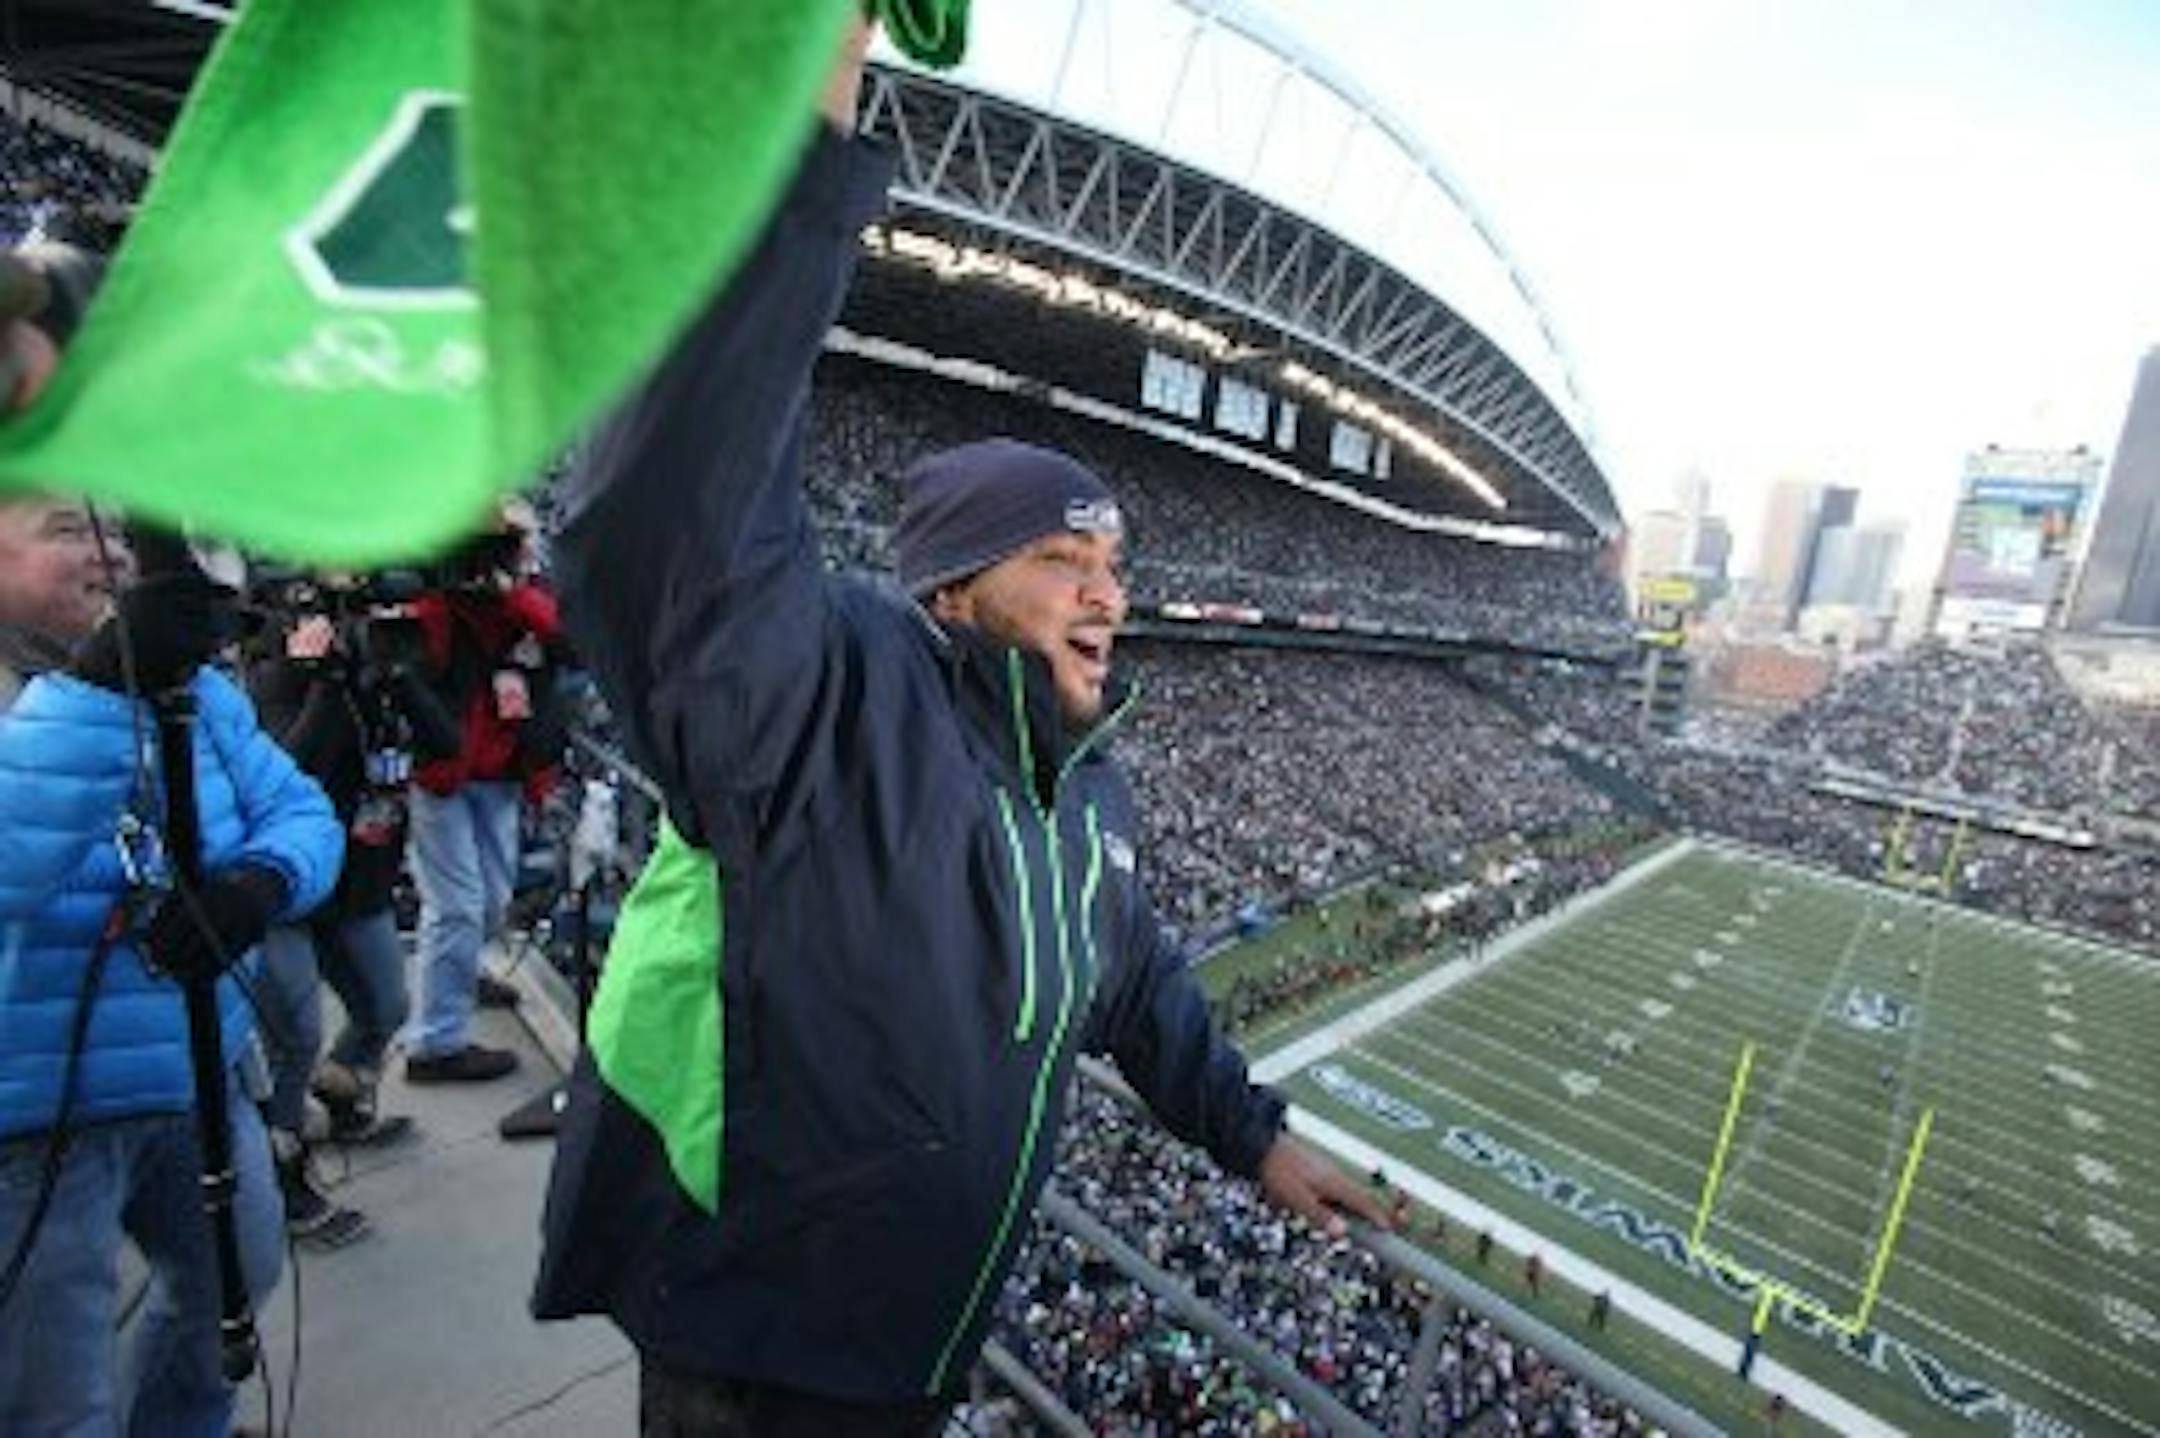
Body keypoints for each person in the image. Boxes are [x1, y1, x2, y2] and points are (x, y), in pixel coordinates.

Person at [532, 22, 1384, 1433]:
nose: (1108, 591)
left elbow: (1131, 982)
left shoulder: (1086, 787)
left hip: (923, 1340)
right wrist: (803, 132)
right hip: (757, 1338)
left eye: (1113, 565)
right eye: (1062, 557)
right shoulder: (832, 692)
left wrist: (1252, 1134)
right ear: (951, 589)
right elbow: (678, 509)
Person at [0, 245, 344, 1434]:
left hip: (193, 1079)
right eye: (64, 525)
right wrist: (104, 688)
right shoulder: (102, 684)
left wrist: (259, 882)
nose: (105, 551)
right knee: (54, 1393)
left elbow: (304, 813)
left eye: (112, 528)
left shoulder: (192, 689)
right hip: (28, 1125)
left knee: (236, 1289)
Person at [248, 588, 455, 1244]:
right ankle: (279, 1176)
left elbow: (446, 743)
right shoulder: (280, 680)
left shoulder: (387, 687)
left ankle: (339, 1098)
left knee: (386, 1005)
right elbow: (287, 769)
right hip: (284, 888)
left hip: (357, 882)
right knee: (295, 1035)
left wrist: (399, 678)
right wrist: (325, 685)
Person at [400, 500, 567, 1082]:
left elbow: (571, 641)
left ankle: (460, 973)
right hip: (444, 777)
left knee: (491, 900)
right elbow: (411, 660)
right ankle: (434, 1045)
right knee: (457, 907)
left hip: (498, 774)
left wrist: (512, 595)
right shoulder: (434, 607)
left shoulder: (524, 603)